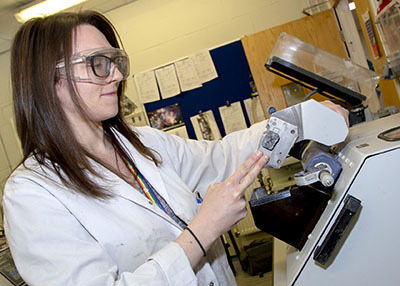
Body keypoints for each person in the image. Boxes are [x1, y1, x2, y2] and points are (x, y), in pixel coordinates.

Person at [3, 10, 349, 286]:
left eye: (115, 61)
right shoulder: (32, 194)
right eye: (97, 64)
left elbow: (222, 157)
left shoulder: (142, 143)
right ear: (50, 81)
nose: (116, 75)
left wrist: (300, 120)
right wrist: (202, 231)